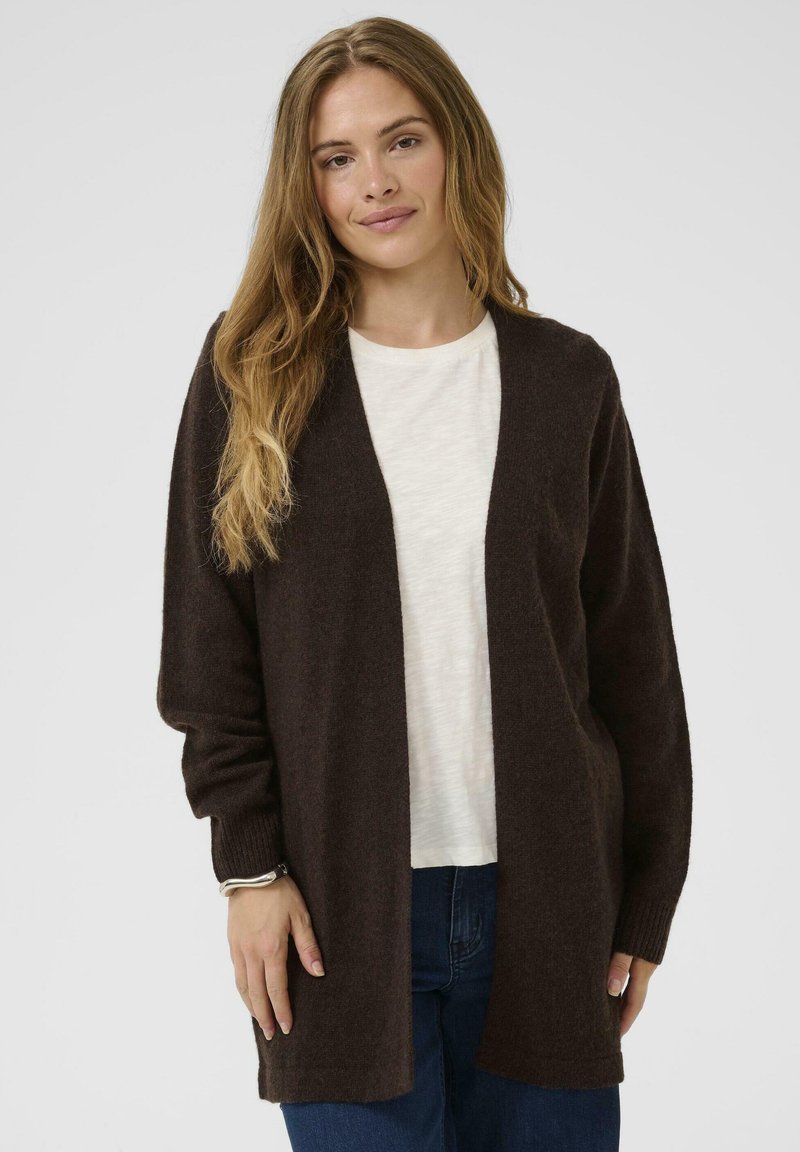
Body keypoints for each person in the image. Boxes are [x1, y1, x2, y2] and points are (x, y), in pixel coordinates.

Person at [157, 16, 692, 1152]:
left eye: (402, 141)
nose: (374, 183)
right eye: (335, 157)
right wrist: (249, 869)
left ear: (457, 146)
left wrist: (645, 902)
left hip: (549, 909)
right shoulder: (252, 375)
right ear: (305, 187)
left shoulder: (567, 380)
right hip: (335, 921)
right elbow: (208, 661)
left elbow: (634, 664)